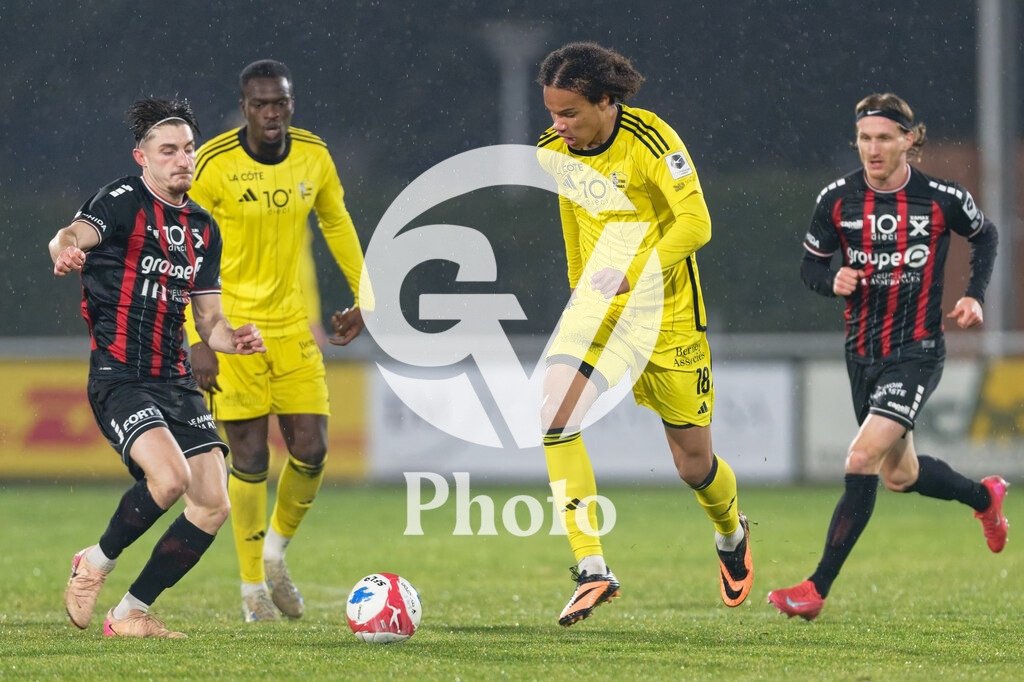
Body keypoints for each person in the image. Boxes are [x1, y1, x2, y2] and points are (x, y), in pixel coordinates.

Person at [535, 42, 753, 627]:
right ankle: (592, 569)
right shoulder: (554, 150)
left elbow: (697, 223)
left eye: (571, 113)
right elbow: (572, 220)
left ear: (606, 102)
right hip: (600, 311)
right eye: (553, 113)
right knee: (554, 414)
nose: (559, 126)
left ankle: (731, 534)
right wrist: (581, 290)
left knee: (692, 465)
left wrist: (635, 271)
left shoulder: (652, 140)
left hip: (668, 315)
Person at [768, 93, 1006, 621]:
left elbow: (986, 236)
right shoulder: (837, 198)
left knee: (859, 459)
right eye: (864, 138)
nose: (872, 149)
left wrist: (974, 295)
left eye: (883, 138)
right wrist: (832, 280)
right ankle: (984, 498)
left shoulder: (942, 197)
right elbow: (810, 266)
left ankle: (815, 589)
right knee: (901, 476)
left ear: (908, 140)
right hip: (861, 352)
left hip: (916, 351)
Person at [54, 98, 266, 639]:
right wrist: (64, 249)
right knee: (169, 479)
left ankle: (130, 614)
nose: (182, 160)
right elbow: (72, 233)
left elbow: (209, 319)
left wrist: (232, 339)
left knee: (214, 504)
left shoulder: (202, 227)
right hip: (120, 376)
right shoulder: (123, 200)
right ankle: (94, 564)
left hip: (174, 379)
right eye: (168, 150)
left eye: (188, 149)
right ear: (142, 157)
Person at [183, 59, 367, 622]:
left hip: (291, 326)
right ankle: (250, 590)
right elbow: (183, 249)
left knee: (311, 448)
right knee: (251, 456)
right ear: (243, 106)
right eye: (260, 103)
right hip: (230, 327)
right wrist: (197, 337)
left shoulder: (313, 154)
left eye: (279, 103)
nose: (271, 113)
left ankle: (275, 553)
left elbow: (336, 222)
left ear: (291, 104)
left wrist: (366, 295)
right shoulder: (212, 164)